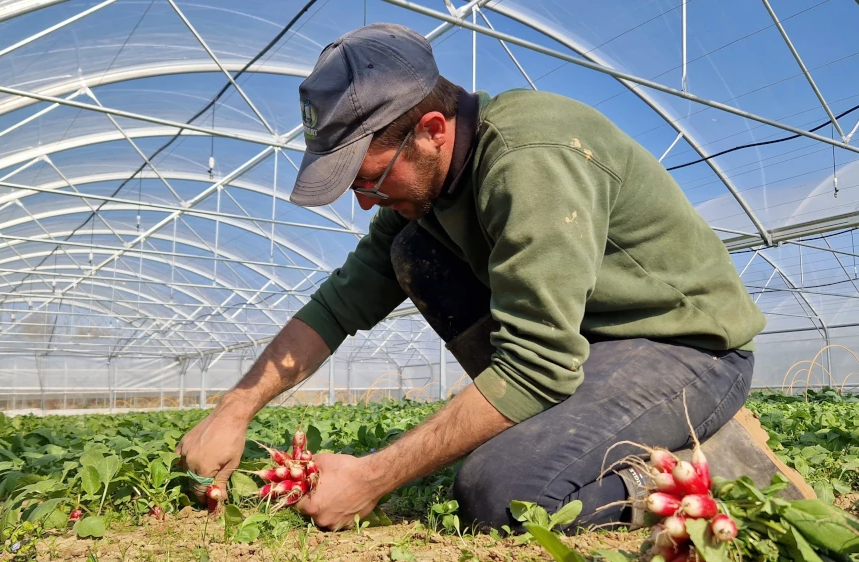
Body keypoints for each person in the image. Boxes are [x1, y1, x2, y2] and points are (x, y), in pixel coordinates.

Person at [176, 23, 813, 533]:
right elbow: (342, 303)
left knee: (503, 494)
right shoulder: (425, 199)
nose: (363, 201)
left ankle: (707, 468)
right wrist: (234, 411)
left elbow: (537, 362)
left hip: (685, 350)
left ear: (430, 131)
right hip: (590, 353)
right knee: (407, 253)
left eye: (368, 179)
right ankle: (601, 431)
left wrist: (373, 476)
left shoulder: (530, 160)